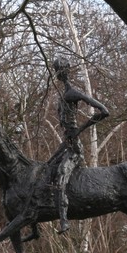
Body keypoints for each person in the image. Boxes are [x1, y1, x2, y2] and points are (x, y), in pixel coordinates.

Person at [47, 56, 109, 233]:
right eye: (57, 70)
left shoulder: (73, 93)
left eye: (61, 69)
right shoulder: (62, 95)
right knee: (47, 169)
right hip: (66, 143)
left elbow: (104, 111)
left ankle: (64, 221)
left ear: (67, 71)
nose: (59, 73)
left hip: (74, 147)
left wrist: (80, 129)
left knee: (61, 175)